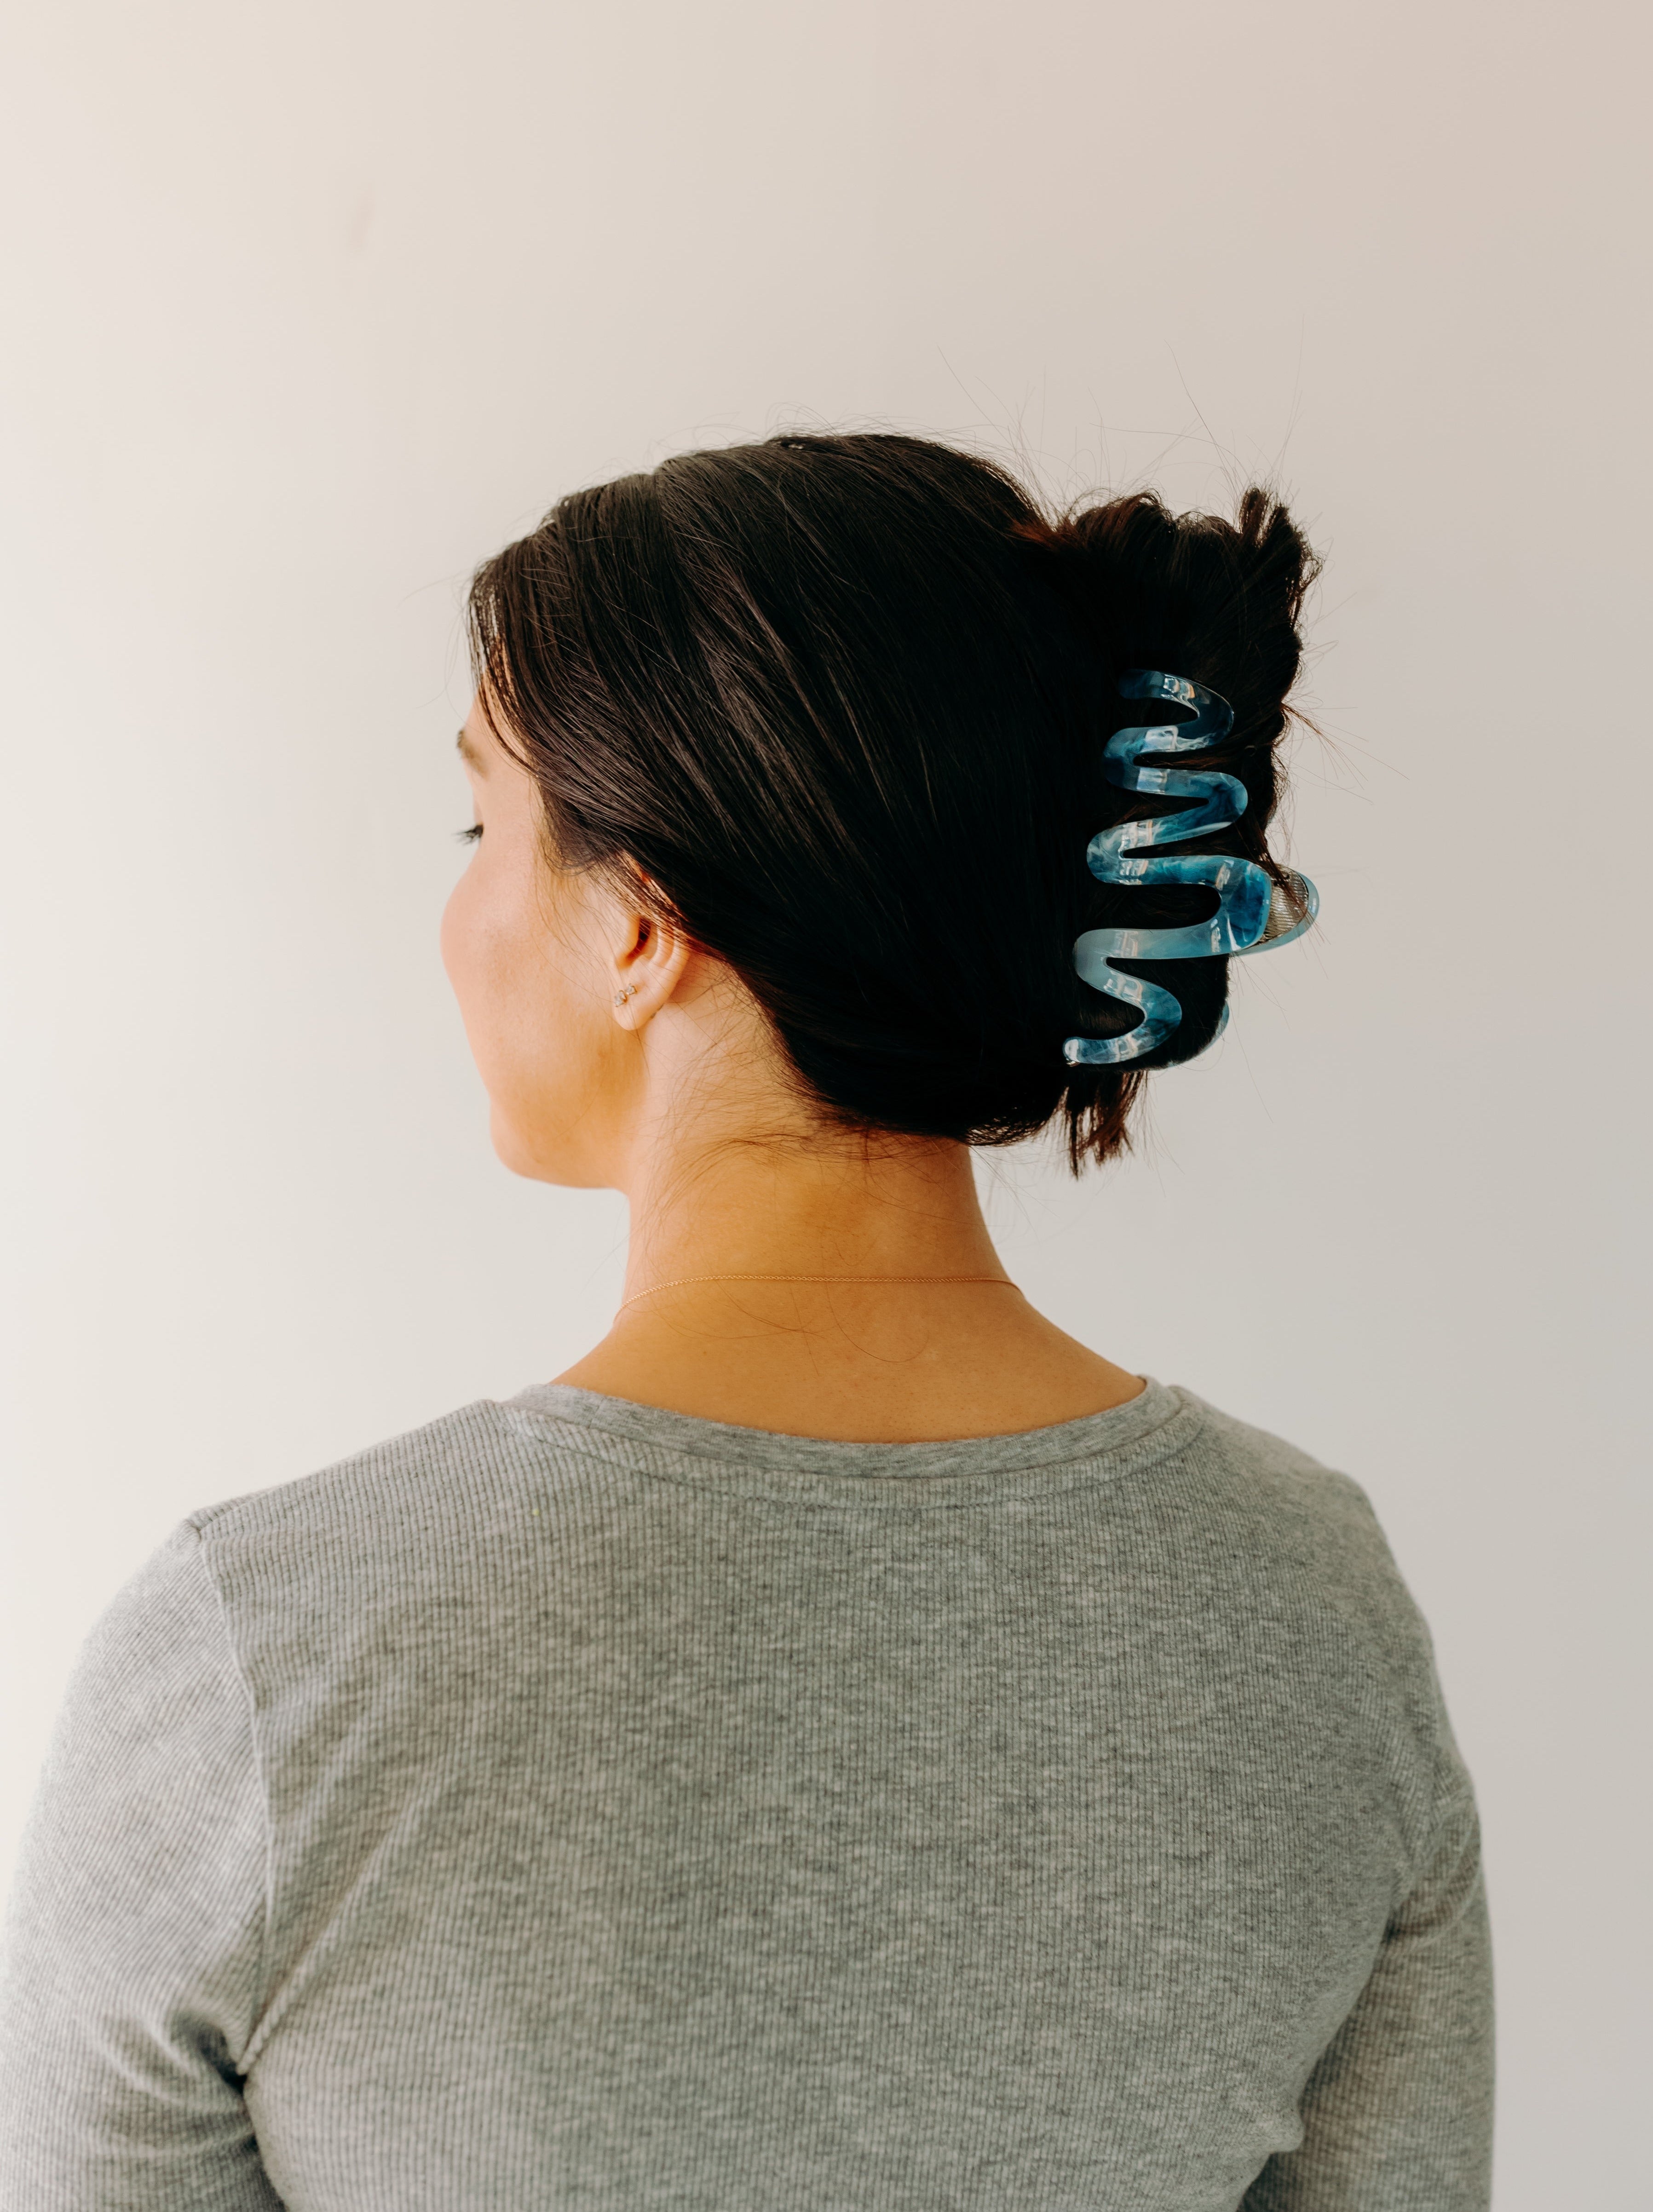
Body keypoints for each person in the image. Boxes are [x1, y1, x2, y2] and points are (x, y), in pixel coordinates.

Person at [0, 433, 1492, 2209]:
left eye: (486, 822)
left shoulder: (259, 1659)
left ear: (644, 923)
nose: (462, 907)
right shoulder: (1315, 1612)